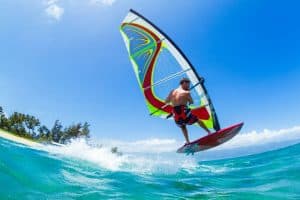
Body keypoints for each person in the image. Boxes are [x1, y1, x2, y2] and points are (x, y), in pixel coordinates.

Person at [165, 78, 211, 145]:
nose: (189, 86)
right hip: (184, 112)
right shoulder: (186, 92)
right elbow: (191, 102)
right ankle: (209, 132)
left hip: (176, 114)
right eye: (188, 85)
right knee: (197, 120)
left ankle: (187, 141)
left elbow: (166, 101)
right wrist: (187, 95)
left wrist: (174, 100)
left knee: (182, 126)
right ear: (184, 83)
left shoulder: (172, 91)